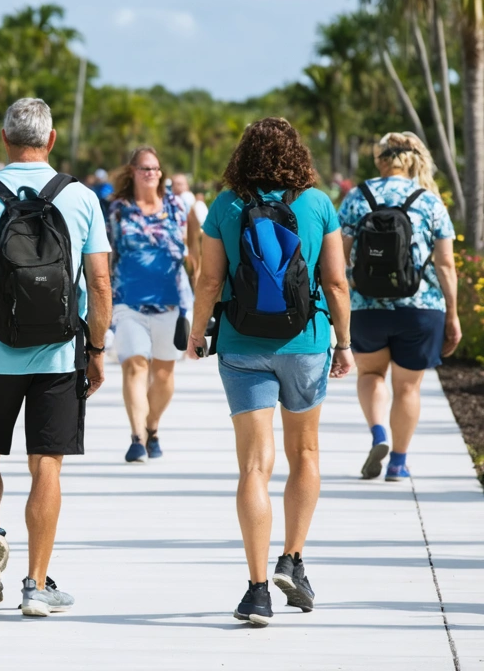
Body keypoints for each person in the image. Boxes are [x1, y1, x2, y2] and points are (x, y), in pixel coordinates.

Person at [0, 98, 112, 617]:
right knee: (46, 464)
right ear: (52, 139)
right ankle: (36, 585)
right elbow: (102, 284)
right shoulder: (80, 197)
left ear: (4, 139)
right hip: (61, 355)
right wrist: (98, 350)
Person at [186, 116, 353, 626]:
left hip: (240, 344)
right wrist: (344, 343)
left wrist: (197, 336)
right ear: (297, 153)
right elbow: (337, 282)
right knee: (304, 451)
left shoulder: (226, 205)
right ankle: (293, 559)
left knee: (254, 467)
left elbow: (209, 279)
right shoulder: (318, 204)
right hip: (304, 342)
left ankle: (257, 590)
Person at [338, 132, 461, 482]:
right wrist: (452, 314)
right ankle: (398, 463)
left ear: (380, 160)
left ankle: (379, 434)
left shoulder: (356, 197)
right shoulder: (430, 201)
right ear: (414, 159)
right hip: (420, 307)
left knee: (371, 375)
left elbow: (340, 256)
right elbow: (446, 265)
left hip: (365, 306)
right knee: (408, 387)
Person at [107, 147, 189, 463]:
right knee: (135, 365)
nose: (150, 173)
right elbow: (106, 254)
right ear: (132, 172)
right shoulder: (117, 210)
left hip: (169, 301)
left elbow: (190, 252)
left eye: (155, 168)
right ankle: (137, 438)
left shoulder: (177, 207)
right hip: (129, 301)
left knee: (165, 374)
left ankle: (152, 426)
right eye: (144, 168)